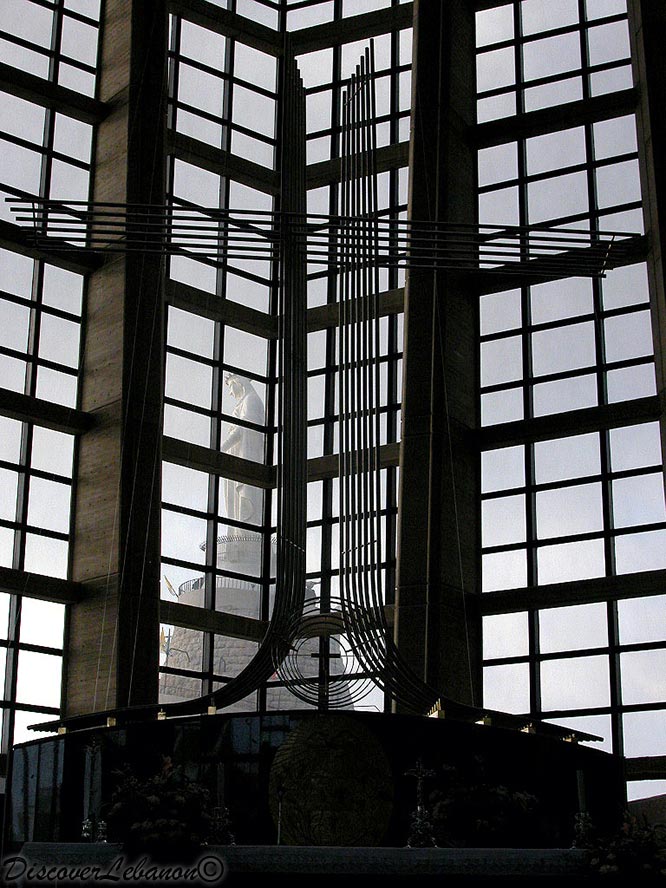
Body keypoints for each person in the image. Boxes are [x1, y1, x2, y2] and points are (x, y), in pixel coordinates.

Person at [221, 373, 264, 525]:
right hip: (237, 458)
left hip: (246, 457)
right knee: (237, 510)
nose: (230, 392)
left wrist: (223, 446)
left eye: (230, 386)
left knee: (246, 509)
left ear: (239, 383)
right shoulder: (245, 402)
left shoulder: (251, 400)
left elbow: (244, 428)